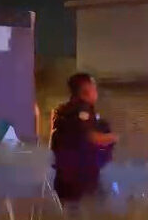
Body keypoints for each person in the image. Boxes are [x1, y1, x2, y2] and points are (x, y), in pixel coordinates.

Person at [50, 73, 118, 203]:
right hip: (80, 176)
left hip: (64, 175)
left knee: (73, 210)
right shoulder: (82, 109)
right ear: (86, 90)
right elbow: (90, 137)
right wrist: (112, 138)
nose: (96, 92)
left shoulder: (66, 111)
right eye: (94, 88)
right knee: (90, 209)